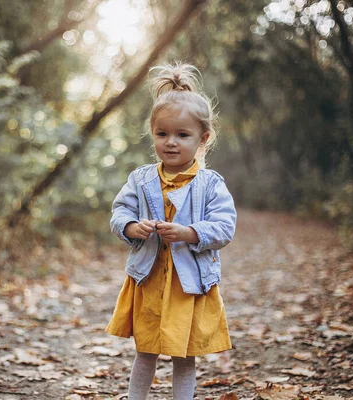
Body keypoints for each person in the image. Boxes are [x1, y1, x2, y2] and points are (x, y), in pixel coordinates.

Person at [105, 62, 237, 400]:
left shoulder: (209, 184)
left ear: (203, 138)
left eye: (182, 135)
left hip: (188, 284)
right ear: (153, 134)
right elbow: (120, 212)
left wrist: (189, 232)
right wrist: (133, 227)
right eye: (162, 134)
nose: (171, 143)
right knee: (145, 350)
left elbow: (224, 226)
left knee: (184, 354)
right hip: (149, 281)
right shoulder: (142, 178)